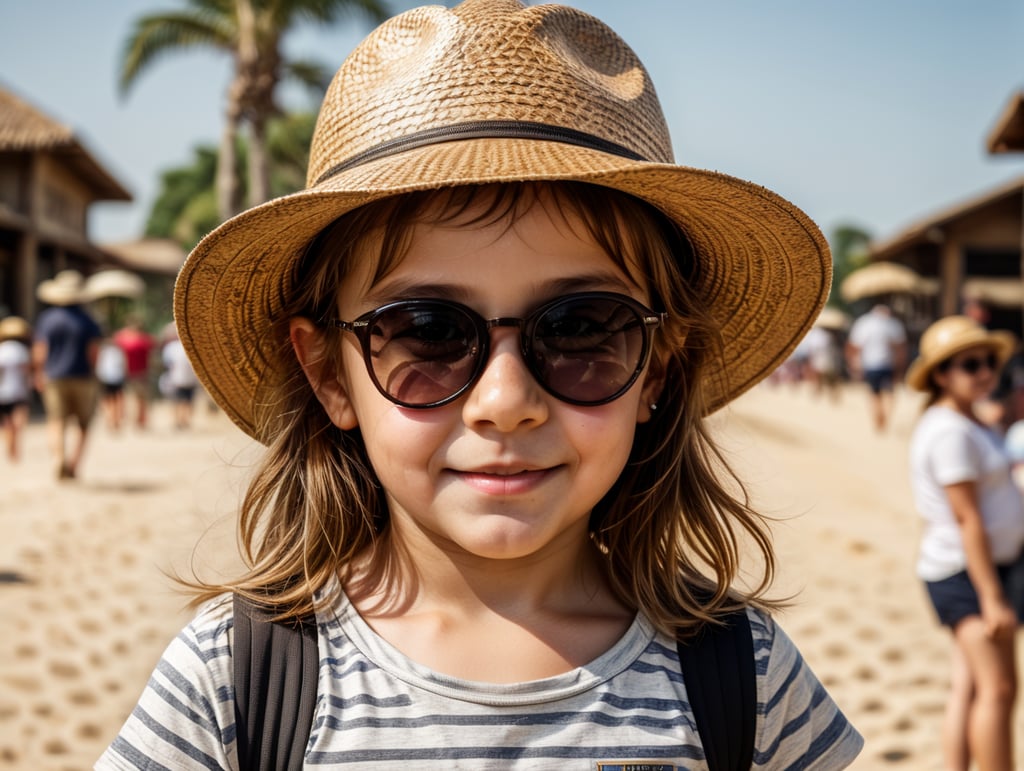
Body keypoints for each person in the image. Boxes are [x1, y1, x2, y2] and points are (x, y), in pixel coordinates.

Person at [97, 1, 863, 767]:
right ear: (328, 372)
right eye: (428, 332)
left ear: (657, 365)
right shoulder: (233, 681)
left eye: (582, 329)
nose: (505, 403)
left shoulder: (743, 678)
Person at [906, 315, 1024, 771]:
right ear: (941, 374)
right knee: (998, 689)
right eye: (970, 364)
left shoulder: (963, 419)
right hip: (966, 574)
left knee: (970, 685)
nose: (984, 373)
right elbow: (966, 518)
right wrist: (992, 598)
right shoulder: (949, 431)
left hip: (971, 567)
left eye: (989, 363)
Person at [32, 270, 102, 480]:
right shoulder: (89, 321)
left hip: (53, 377)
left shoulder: (47, 319)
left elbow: (39, 351)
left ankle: (59, 458)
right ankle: (73, 464)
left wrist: (38, 373)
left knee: (56, 420)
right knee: (83, 425)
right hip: (82, 376)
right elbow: (94, 353)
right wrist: (93, 373)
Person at [846, 303, 907, 432]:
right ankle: (884, 418)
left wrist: (854, 364)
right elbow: (900, 348)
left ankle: (878, 419)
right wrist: (901, 366)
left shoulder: (864, 323)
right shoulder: (893, 324)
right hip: (888, 364)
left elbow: (855, 346)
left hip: (871, 365)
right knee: (889, 393)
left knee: (874, 394)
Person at [113, 314, 156, 429]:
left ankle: (137, 420)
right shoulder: (144, 339)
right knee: (139, 398)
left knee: (135, 398)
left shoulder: (122, 338)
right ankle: (139, 420)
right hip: (137, 373)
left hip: (134, 373)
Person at [0, 315, 33, 462]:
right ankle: (16, 448)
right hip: (19, 391)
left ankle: (9, 447)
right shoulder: (22, 350)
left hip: (3, 392)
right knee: (18, 422)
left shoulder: (2, 349)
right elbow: (27, 371)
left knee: (6, 422)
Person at [160, 328, 199, 429]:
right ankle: (182, 421)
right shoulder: (188, 347)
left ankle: (181, 420)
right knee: (185, 401)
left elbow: (167, 364)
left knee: (180, 401)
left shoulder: (171, 348)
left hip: (180, 379)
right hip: (183, 379)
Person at [95, 335, 127, 431]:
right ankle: (113, 419)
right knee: (115, 400)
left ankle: (111, 419)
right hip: (114, 378)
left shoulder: (103, 352)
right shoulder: (117, 352)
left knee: (109, 401)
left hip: (109, 378)